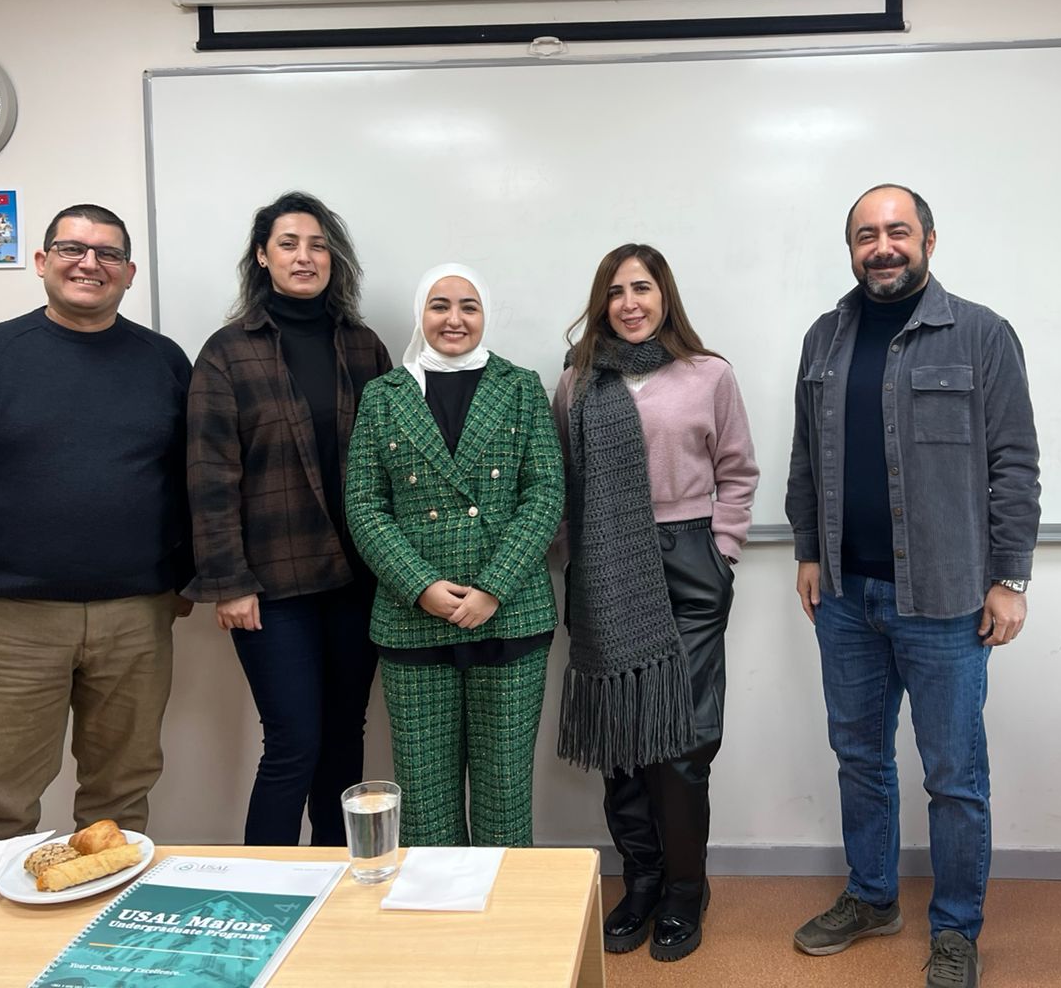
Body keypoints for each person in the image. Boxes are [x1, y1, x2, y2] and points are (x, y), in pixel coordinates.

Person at [786, 184, 1041, 988]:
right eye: (866, 235)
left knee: (953, 777)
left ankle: (957, 930)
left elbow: (1015, 463)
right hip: (846, 597)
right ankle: (872, 897)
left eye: (898, 231)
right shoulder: (824, 337)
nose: (882, 246)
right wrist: (807, 549)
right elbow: (806, 456)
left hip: (947, 598)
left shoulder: (981, 334)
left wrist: (1010, 578)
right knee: (859, 757)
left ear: (930, 240)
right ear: (851, 249)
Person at [0, 203, 193, 840]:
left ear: (129, 273)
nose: (90, 263)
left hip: (136, 618)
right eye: (71, 249)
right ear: (42, 262)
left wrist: (186, 574)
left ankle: (106, 905)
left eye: (108, 253)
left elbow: (193, 477)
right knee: (0, 801)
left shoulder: (165, 361)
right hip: (15, 622)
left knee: (120, 799)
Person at [552, 243, 759, 963]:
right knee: (622, 737)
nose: (629, 303)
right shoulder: (578, 382)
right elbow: (563, 483)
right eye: (615, 292)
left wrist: (722, 554)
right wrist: (575, 560)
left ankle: (684, 890)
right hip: (605, 564)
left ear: (664, 296)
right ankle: (640, 883)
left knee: (681, 743)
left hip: (688, 563)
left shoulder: (709, 374)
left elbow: (738, 470)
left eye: (641, 288)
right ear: (602, 303)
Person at [185, 192, 391, 846]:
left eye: (318, 245)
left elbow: (393, 460)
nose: (305, 257)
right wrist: (229, 582)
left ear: (335, 258)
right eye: (289, 244)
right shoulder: (227, 353)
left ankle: (338, 875)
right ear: (262, 257)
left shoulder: (362, 347)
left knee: (344, 736)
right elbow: (209, 476)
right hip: (271, 586)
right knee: (293, 742)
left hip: (357, 581)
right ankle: (262, 887)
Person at [346, 264, 563, 847]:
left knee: (504, 795)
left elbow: (545, 492)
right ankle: (438, 906)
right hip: (412, 618)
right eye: (439, 305)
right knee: (424, 802)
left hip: (510, 616)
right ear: (421, 314)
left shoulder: (521, 387)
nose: (454, 318)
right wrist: (420, 586)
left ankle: (503, 906)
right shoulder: (384, 395)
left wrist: (493, 587)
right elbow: (365, 505)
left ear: (484, 314)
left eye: (469, 306)